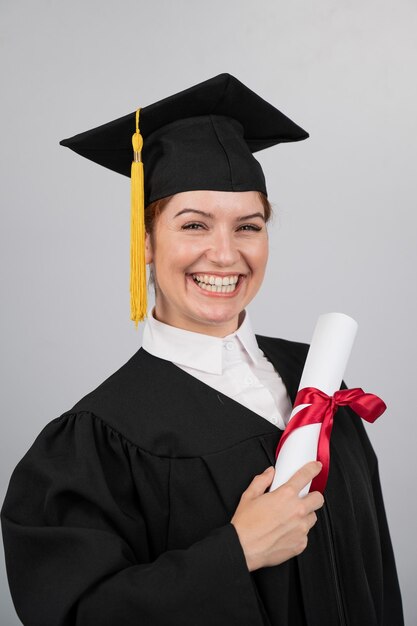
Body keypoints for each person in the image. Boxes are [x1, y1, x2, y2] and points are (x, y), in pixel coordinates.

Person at [1, 73, 403, 626]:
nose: (224, 253)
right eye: (194, 224)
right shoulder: (96, 442)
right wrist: (235, 554)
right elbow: (79, 615)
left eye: (248, 226)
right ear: (145, 242)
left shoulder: (319, 382)